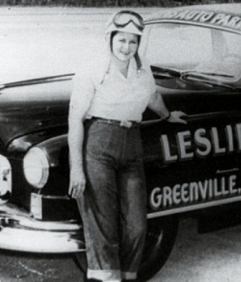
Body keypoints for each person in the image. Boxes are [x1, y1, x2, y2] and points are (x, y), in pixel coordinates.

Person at [67, 10, 186, 282]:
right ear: (109, 38)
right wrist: (77, 169)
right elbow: (75, 118)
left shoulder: (142, 69)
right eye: (121, 40)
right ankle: (106, 279)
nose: (127, 48)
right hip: (99, 144)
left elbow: (152, 96)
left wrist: (167, 115)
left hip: (132, 146)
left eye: (133, 42)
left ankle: (127, 276)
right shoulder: (92, 69)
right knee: (103, 224)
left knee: (136, 225)